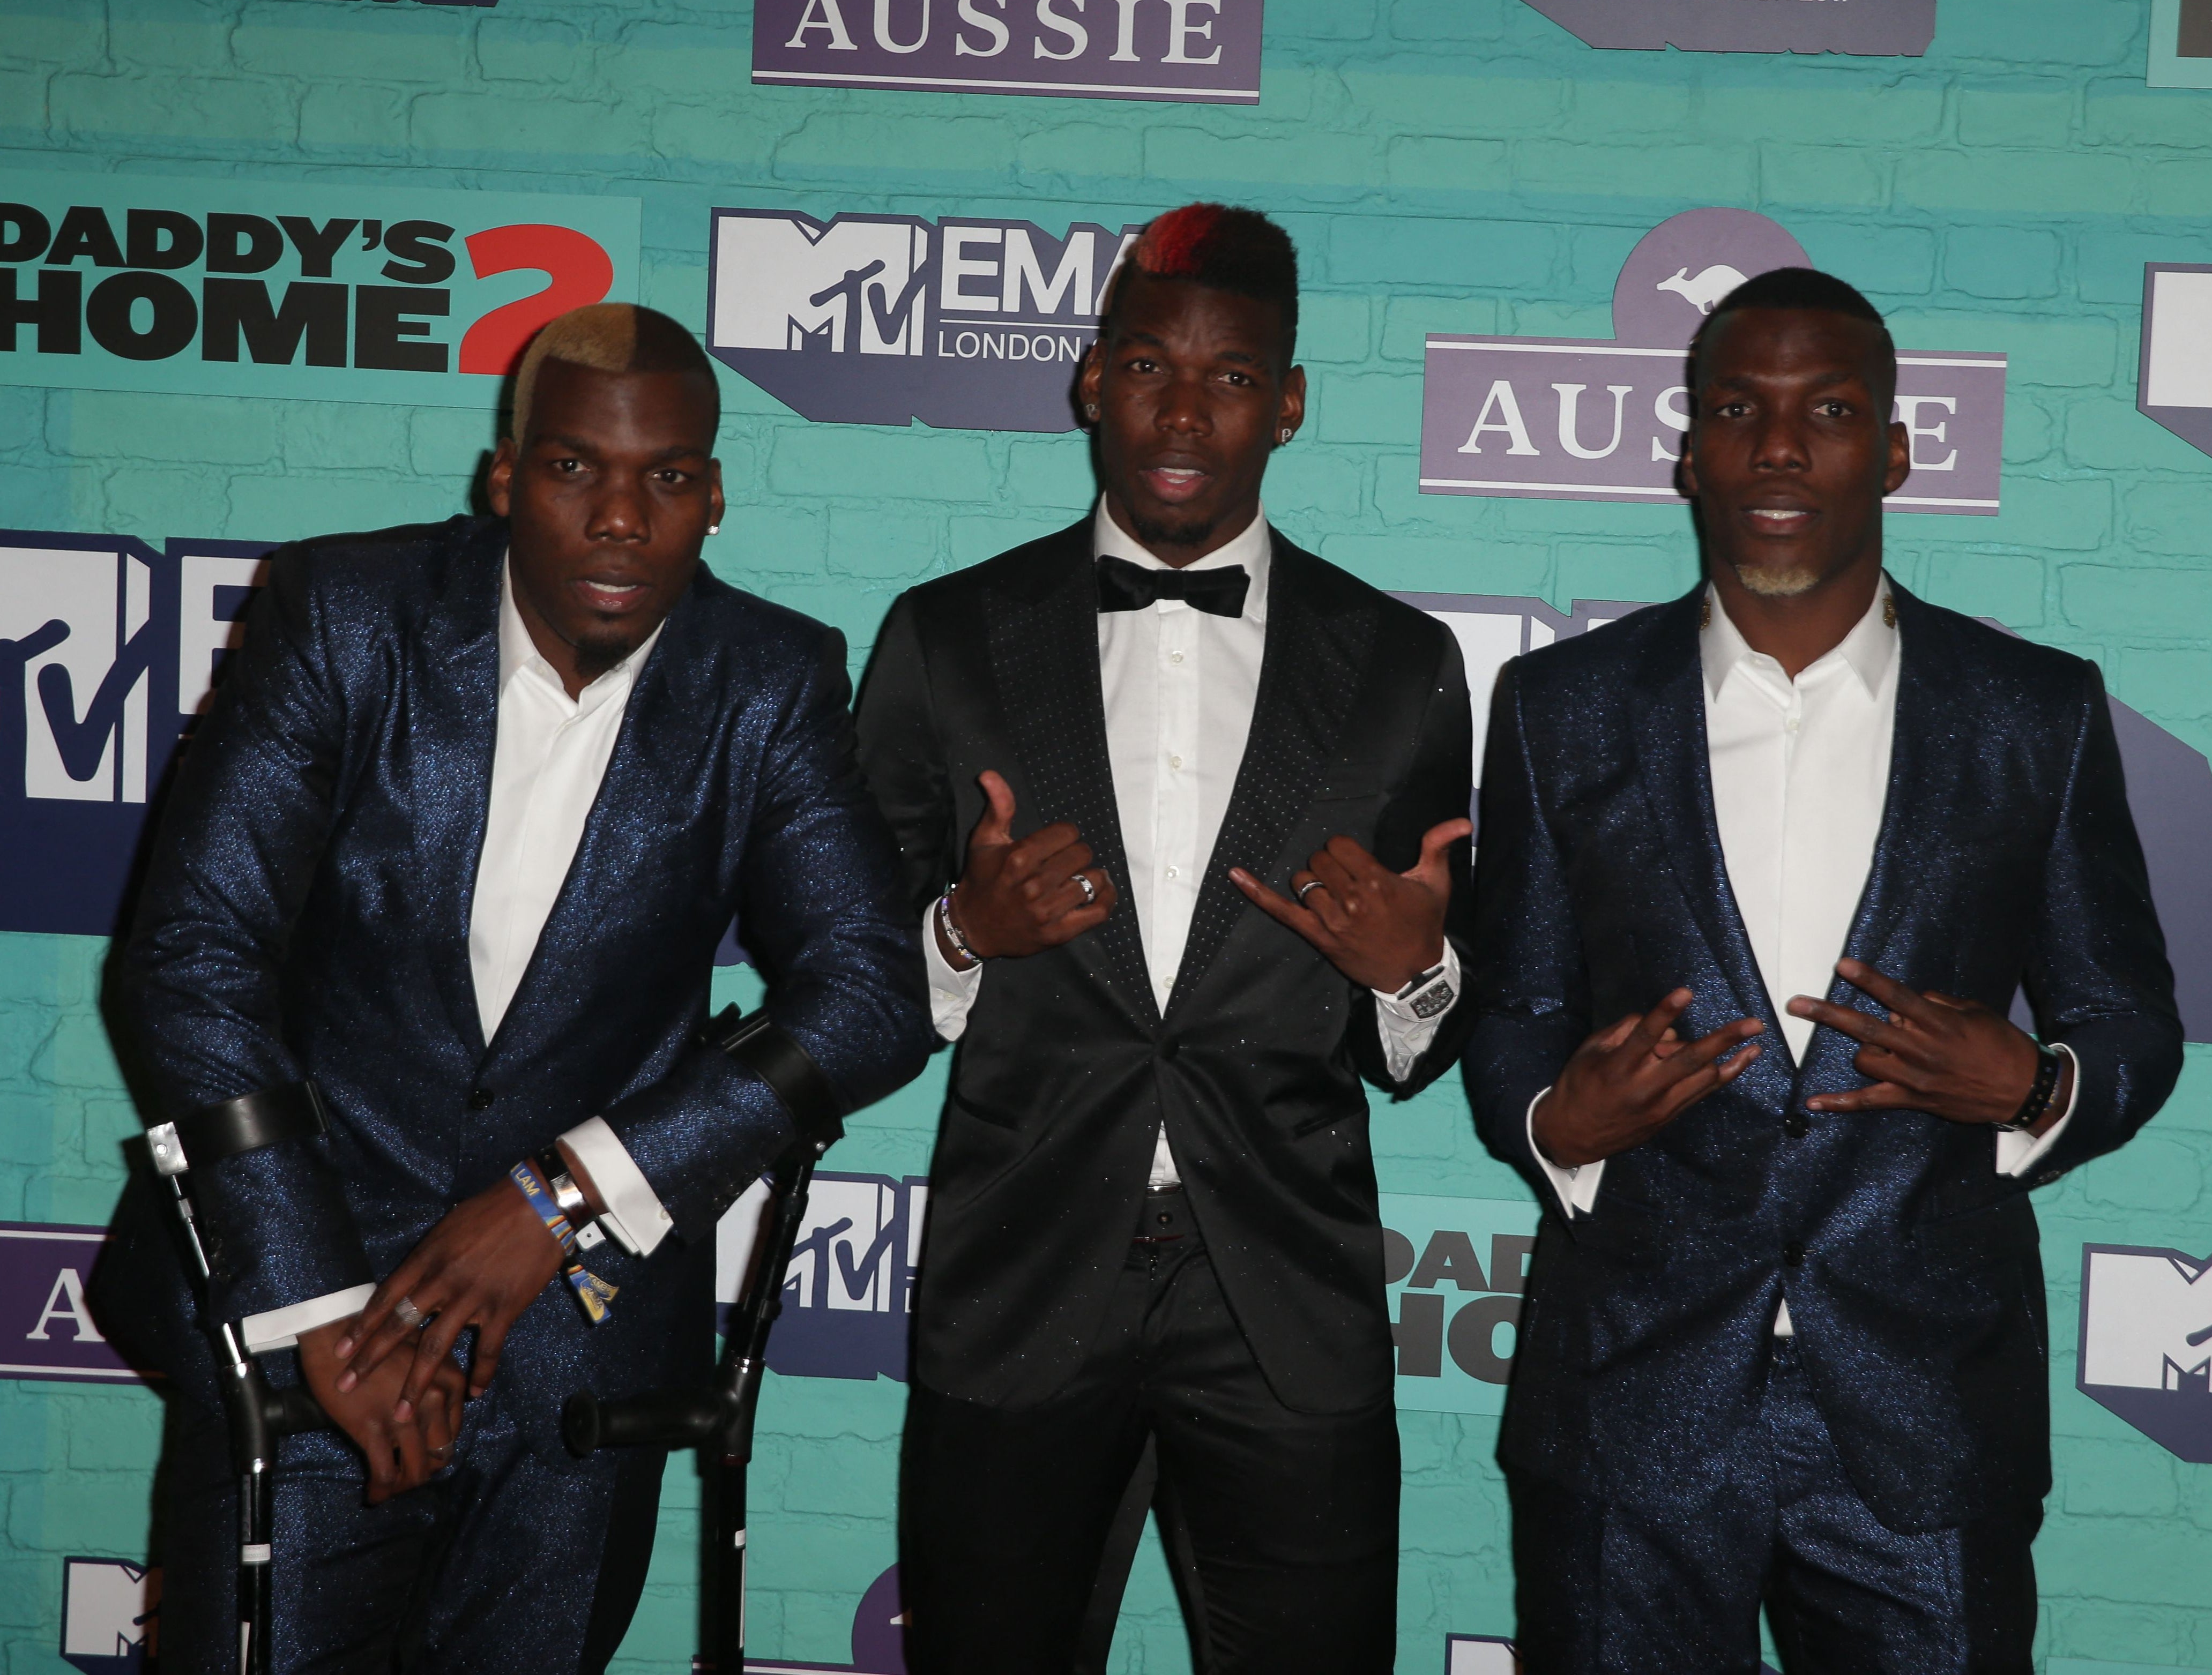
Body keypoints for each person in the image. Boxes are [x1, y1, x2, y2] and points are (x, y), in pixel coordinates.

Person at [105, 303, 933, 1673]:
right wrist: (321, 1316)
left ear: (714, 496)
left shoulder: (768, 681)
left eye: (667, 476)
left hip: (579, 1375)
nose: (621, 517)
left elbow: (869, 999)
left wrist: (566, 1194)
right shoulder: (343, 618)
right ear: (505, 478)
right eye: (573, 469)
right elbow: (194, 957)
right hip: (314, 1329)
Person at [1462, 268, 2183, 1674]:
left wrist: (2035, 1086)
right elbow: (1518, 1008)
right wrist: (1560, 1124)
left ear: (1896, 449)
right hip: (1629, 1402)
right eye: (1738, 409)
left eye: (1829, 411)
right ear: (1688, 452)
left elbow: (2124, 1010)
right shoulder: (1561, 710)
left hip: (1922, 1416)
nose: (1779, 445)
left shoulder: (2032, 714)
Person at [855, 203, 1476, 1675]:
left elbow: (1444, 1008)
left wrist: (1408, 974)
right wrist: (959, 929)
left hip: (1282, 1294)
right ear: (1089, 379)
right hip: (1017, 1283)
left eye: (1233, 375)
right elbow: (839, 970)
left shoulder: (1400, 667)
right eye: (1146, 365)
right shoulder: (945, 637)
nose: (1183, 410)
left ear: (1292, 400)